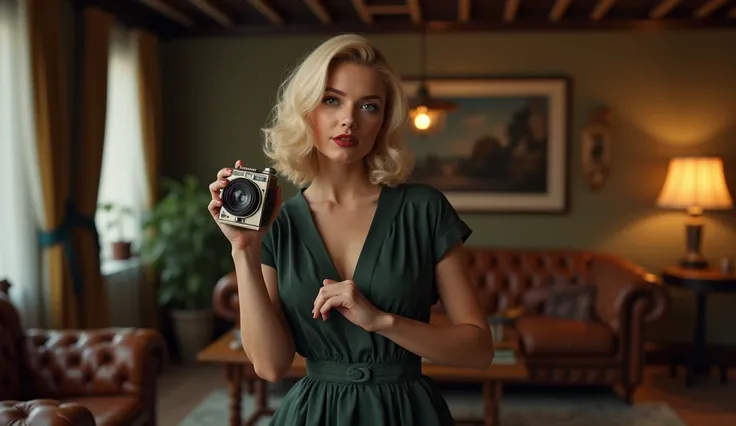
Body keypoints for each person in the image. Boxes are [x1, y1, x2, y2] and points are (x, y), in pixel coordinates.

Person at [207, 33, 494, 426]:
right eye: (332, 100)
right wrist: (243, 248)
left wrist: (381, 321)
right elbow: (271, 367)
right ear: (307, 111)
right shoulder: (279, 222)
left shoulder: (424, 209)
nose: (349, 119)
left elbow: (478, 350)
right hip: (312, 415)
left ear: (383, 121)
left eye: (369, 106)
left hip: (407, 413)